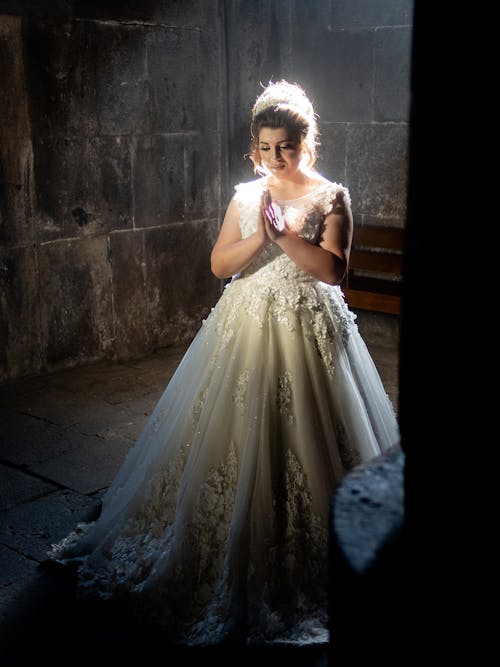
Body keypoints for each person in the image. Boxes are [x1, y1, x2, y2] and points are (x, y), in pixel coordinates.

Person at [48, 80, 400, 646]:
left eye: (285, 145)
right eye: (265, 147)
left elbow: (334, 271)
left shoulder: (332, 196)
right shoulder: (246, 195)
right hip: (246, 320)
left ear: (306, 142)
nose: (275, 157)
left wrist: (282, 238)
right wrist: (259, 231)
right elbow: (219, 265)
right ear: (254, 148)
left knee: (316, 433)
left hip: (308, 322)